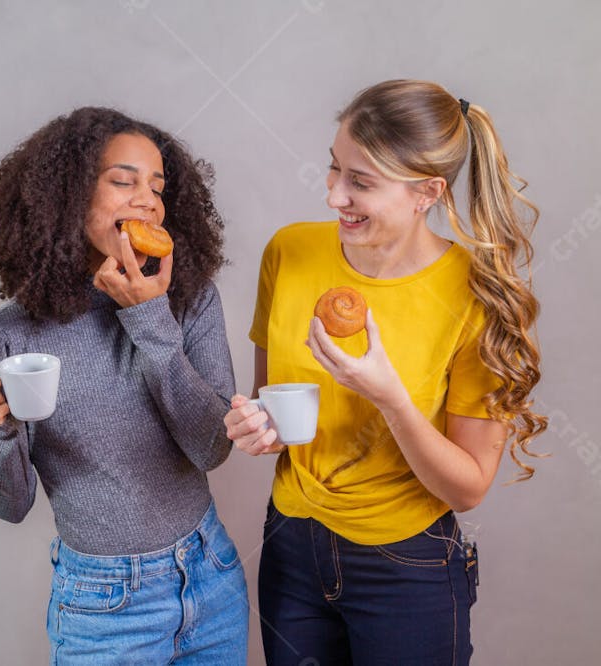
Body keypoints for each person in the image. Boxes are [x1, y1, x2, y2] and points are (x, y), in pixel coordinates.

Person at [225, 79, 547, 665]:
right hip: (291, 546)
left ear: (427, 192)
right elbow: (267, 401)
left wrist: (391, 398)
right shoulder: (289, 252)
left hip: (408, 564)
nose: (333, 197)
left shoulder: (476, 295)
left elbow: (468, 486)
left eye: (360, 183)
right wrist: (255, 424)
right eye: (334, 170)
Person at [0, 107, 248, 664]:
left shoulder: (190, 300)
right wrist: (1, 434)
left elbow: (212, 447)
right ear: (66, 197)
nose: (148, 200)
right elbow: (10, 505)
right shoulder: (4, 336)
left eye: (158, 187)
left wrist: (150, 318)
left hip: (210, 577)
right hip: (104, 605)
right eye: (124, 181)